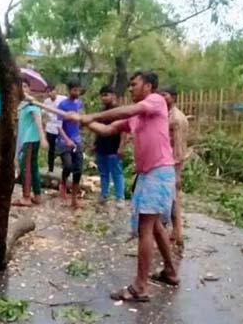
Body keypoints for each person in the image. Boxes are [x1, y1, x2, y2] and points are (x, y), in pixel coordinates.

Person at [67, 71, 178, 302]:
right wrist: (83, 120)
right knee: (155, 226)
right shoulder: (137, 116)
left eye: (134, 84)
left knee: (145, 229)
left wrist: (93, 115)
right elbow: (109, 129)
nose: (130, 88)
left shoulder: (155, 101)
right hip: (148, 174)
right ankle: (170, 272)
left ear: (148, 86)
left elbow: (127, 110)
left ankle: (140, 287)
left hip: (158, 172)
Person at [159, 87, 189, 246]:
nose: (162, 97)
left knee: (174, 199)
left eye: (165, 95)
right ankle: (175, 232)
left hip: (173, 162)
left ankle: (178, 233)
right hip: (164, 161)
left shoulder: (177, 118)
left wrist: (178, 173)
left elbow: (179, 146)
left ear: (174, 97)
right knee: (169, 198)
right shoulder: (164, 114)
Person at [14, 78, 49, 206]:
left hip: (30, 140)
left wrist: (43, 137)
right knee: (33, 167)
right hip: (29, 140)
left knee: (26, 168)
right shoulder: (22, 105)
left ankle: (26, 197)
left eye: (25, 87)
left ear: (29, 89)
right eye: (20, 87)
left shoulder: (31, 104)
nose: (22, 89)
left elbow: (38, 120)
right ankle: (38, 196)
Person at [94, 85, 126, 203]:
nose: (104, 98)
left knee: (117, 173)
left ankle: (120, 197)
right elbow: (98, 129)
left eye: (106, 95)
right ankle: (104, 194)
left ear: (113, 96)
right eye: (102, 95)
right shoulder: (102, 112)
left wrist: (121, 146)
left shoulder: (119, 111)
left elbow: (124, 130)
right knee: (103, 173)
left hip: (114, 147)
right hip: (101, 147)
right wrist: (95, 143)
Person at [57, 81, 83, 208]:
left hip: (77, 140)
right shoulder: (62, 105)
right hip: (64, 140)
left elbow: (80, 120)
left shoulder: (79, 103)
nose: (77, 93)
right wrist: (67, 140)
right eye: (74, 90)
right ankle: (63, 181)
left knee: (78, 169)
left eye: (78, 90)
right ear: (69, 90)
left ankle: (74, 198)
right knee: (67, 165)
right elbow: (58, 126)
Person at [43, 85, 66, 172]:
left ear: (55, 91)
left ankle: (65, 168)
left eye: (51, 91)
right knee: (51, 149)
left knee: (63, 148)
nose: (50, 93)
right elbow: (43, 112)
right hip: (50, 127)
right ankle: (50, 168)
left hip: (61, 127)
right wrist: (45, 117)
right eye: (48, 92)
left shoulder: (62, 99)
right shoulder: (46, 101)